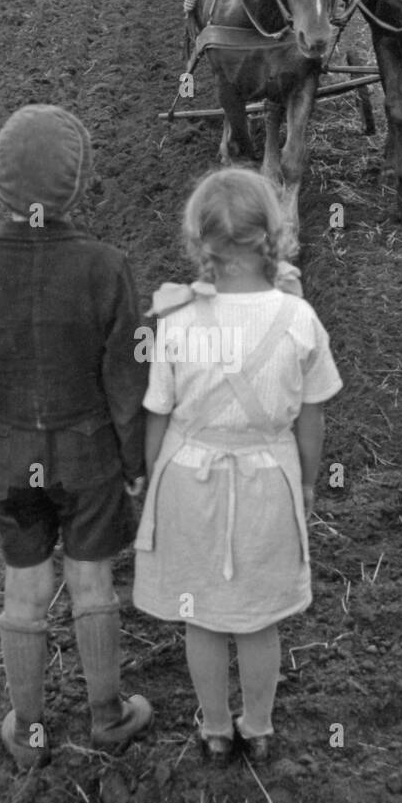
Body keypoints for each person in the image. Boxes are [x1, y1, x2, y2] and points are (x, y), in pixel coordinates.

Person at [0, 104, 152, 771]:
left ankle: (28, 730)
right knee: (93, 586)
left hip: (5, 460)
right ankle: (108, 715)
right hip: (89, 461)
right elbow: (127, 382)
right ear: (77, 182)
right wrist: (135, 462)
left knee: (23, 592)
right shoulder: (107, 268)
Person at [132, 168, 342, 766]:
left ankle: (217, 730)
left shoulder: (175, 320)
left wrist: (152, 483)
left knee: (201, 617)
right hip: (266, 480)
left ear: (200, 243)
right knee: (257, 619)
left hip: (188, 483)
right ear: (272, 236)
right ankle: (261, 724)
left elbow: (157, 412)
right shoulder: (298, 319)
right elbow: (311, 416)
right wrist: (305, 483)